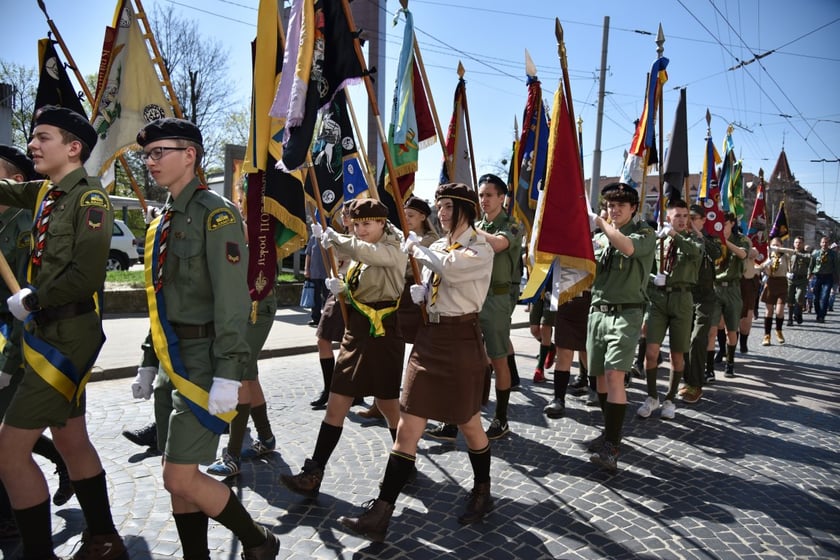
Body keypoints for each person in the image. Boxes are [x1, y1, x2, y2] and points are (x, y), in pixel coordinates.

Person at [132, 118, 277, 559]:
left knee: (178, 475)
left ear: (190, 155)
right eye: (147, 154)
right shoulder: (162, 221)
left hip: (204, 360)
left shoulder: (217, 214)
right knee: (177, 474)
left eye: (160, 152)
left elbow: (233, 300)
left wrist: (230, 372)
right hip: (171, 358)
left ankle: (258, 540)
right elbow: (161, 298)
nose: (150, 161)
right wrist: (149, 359)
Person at [0, 106, 127, 560]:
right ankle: (105, 539)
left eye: (42, 137)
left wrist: (32, 299)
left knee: (8, 453)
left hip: (66, 336)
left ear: (74, 148)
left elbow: (85, 275)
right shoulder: (44, 193)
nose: (32, 145)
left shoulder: (90, 200)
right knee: (71, 438)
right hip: (48, 332)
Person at [337, 182, 494, 542]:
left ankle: (482, 490)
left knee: (469, 423)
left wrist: (417, 250)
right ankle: (381, 512)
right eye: (440, 206)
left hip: (461, 338)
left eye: (448, 207)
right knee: (408, 426)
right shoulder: (437, 246)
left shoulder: (480, 247)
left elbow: (451, 270)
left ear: (466, 209)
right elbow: (438, 272)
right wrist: (425, 295)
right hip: (430, 339)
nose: (441, 213)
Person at [280, 198, 407, 499]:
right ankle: (313, 473)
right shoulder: (362, 246)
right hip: (357, 331)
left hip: (383, 331)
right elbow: (359, 271)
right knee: (337, 400)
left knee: (388, 403)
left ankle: (405, 459)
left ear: (382, 223)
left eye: (367, 224)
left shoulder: (394, 247)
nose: (360, 230)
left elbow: (369, 254)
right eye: (357, 224)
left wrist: (337, 238)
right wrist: (344, 290)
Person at [0, 145, 75, 541]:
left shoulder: (28, 227)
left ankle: (11, 519)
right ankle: (61, 458)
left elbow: (25, 303)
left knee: (5, 437)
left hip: (17, 341)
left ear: (15, 181)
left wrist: (8, 362)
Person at [425, 174, 521, 441]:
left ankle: (501, 418)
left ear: (502, 198)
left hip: (495, 299)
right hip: (467, 297)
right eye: (480, 195)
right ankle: (451, 420)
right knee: (461, 359)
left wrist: (468, 228)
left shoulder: (512, 225)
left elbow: (499, 244)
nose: (484, 200)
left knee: (498, 357)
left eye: (489, 195)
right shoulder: (475, 225)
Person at [206, 182, 280, 477]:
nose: (239, 202)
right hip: (242, 305)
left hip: (256, 306)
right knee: (250, 374)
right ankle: (266, 438)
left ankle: (233, 454)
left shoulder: (258, 223)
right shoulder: (241, 218)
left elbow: (247, 242)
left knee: (240, 374)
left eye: (243, 198)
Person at [586, 182, 655, 473]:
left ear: (633, 208)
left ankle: (612, 446)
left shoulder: (644, 233)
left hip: (626, 313)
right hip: (598, 312)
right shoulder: (600, 238)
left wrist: (601, 223)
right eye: (610, 206)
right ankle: (609, 432)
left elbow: (627, 247)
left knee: (615, 375)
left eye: (620, 206)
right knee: (600, 379)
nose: (614, 210)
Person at [636, 199, 702, 421]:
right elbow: (645, 270)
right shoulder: (658, 241)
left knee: (677, 354)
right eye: (677, 216)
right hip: (658, 300)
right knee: (651, 351)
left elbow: (694, 253)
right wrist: (653, 279)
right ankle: (652, 396)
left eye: (685, 216)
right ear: (668, 218)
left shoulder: (694, 240)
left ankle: (670, 399)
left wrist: (674, 235)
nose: (682, 220)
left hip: (682, 299)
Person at [680, 204, 722, 404]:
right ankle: (688, 380)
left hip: (704, 298)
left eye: (693, 218)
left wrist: (698, 234)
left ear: (703, 220)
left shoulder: (710, 240)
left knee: (697, 339)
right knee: (684, 340)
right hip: (684, 296)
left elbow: (716, 253)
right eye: (686, 217)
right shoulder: (681, 239)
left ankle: (695, 384)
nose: (688, 221)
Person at [706, 212, 751, 379]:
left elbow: (743, 254)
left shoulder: (741, 239)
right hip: (715, 288)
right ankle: (709, 369)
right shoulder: (713, 239)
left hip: (733, 289)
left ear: (732, 223)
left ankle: (730, 364)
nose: (721, 227)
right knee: (712, 330)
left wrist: (726, 242)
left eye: (724, 224)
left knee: (731, 330)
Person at [757, 238, 790, 346]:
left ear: (781, 245)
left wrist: (780, 250)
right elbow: (760, 267)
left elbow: (792, 255)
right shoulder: (768, 255)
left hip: (782, 283)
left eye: (777, 245)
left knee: (779, 311)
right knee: (769, 311)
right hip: (771, 283)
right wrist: (766, 263)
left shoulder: (785, 255)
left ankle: (778, 330)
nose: (775, 247)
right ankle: (767, 335)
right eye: (773, 245)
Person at [808, 236, 839, 323]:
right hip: (817, 277)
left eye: (826, 242)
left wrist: (838, 278)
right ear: (820, 243)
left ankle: (822, 316)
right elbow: (811, 265)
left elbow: (836, 266)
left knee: (825, 296)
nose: (824, 244)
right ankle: (818, 313)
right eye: (823, 242)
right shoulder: (816, 253)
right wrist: (809, 275)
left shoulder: (833, 254)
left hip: (828, 277)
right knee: (816, 298)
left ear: (828, 244)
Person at [304, 229, 328, 326]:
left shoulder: (330, 236)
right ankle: (316, 318)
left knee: (327, 298)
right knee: (315, 297)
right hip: (314, 273)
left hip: (327, 273)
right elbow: (308, 254)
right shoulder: (313, 238)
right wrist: (306, 269)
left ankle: (326, 320)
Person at [785, 236, 810, 325]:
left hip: (802, 279)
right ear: (793, 243)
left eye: (800, 243)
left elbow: (809, 259)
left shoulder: (807, 255)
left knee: (799, 297)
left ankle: (798, 312)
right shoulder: (789, 254)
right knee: (790, 298)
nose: (798, 244)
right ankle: (790, 318)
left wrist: (797, 253)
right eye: (796, 242)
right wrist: (787, 273)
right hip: (791, 279)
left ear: (803, 244)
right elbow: (785, 264)